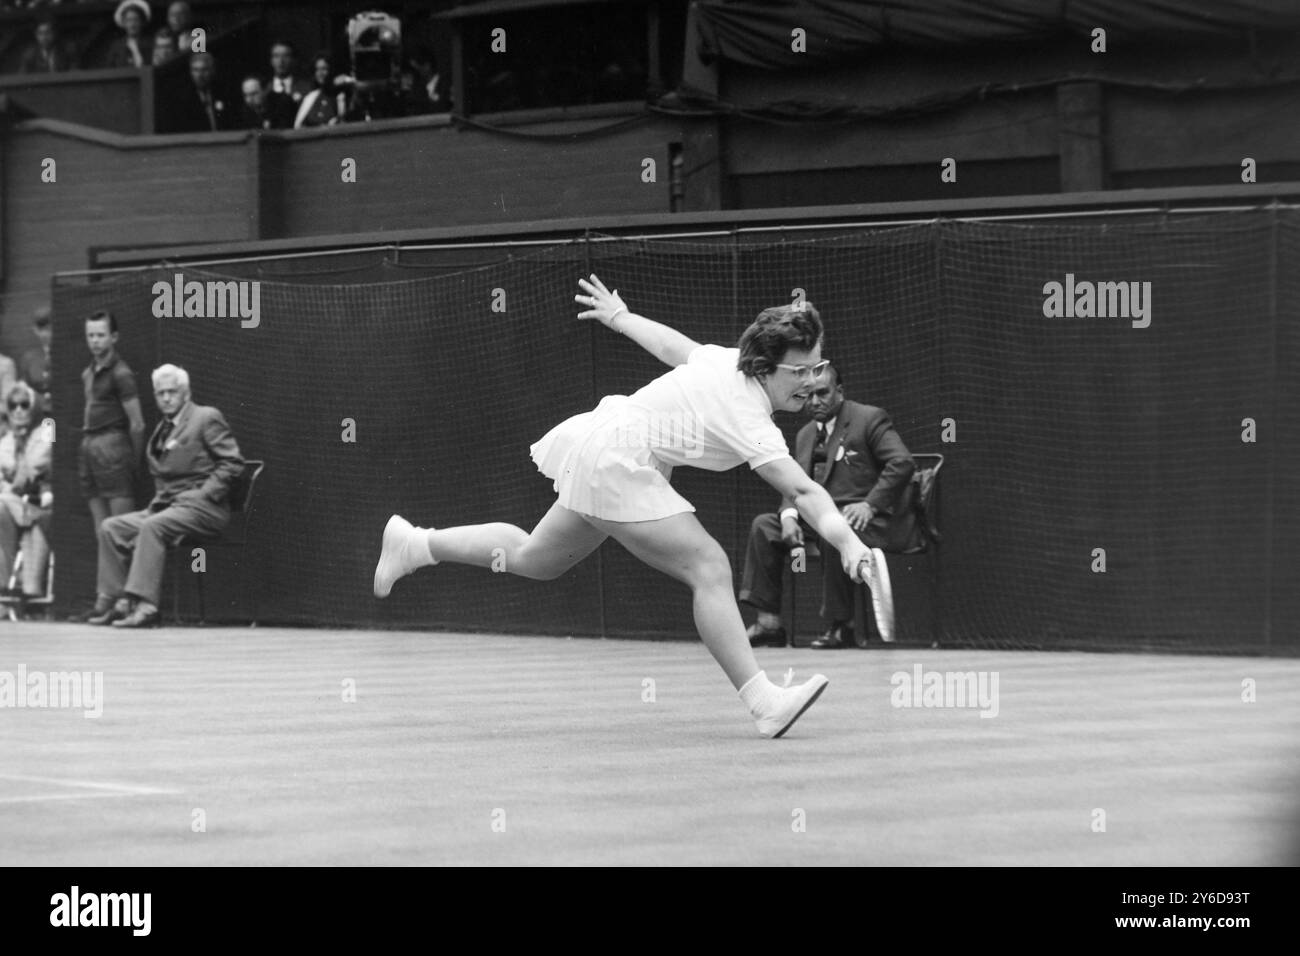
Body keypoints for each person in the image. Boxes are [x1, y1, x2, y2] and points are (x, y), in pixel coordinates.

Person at [374, 276, 884, 738]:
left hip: (610, 448)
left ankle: (416, 543)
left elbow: (672, 346)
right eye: (801, 369)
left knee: (535, 558)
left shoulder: (724, 361)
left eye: (818, 366)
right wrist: (850, 545)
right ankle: (764, 702)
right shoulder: (747, 414)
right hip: (618, 458)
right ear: (767, 367)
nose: (813, 381)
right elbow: (803, 492)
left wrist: (620, 316)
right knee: (708, 565)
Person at [741, 363, 916, 649]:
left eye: (822, 393)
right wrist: (787, 516)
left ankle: (841, 626)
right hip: (821, 517)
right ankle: (769, 623)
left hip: (866, 521)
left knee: (834, 528)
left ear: (840, 392)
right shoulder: (806, 434)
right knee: (765, 525)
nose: (814, 401)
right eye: (808, 395)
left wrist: (869, 505)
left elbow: (902, 462)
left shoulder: (869, 418)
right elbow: (792, 482)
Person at [91, 364, 244, 628]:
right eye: (160, 393)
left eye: (172, 392)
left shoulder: (205, 417)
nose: (166, 398)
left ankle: (146, 607)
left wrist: (204, 494)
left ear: (186, 393)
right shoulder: (163, 428)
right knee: (110, 527)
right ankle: (119, 602)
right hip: (167, 509)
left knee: (152, 526)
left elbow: (233, 463)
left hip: (204, 509)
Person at [79, 310, 146, 618]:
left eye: (101, 334)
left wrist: (132, 461)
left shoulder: (122, 374)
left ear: (114, 337)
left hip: (115, 450)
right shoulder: (87, 373)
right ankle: (107, 595)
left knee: (121, 531)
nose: (95, 340)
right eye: (91, 335)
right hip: (89, 451)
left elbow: (137, 424)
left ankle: (125, 600)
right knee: (100, 530)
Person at [0, 383, 53, 604]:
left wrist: (13, 477)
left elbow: (36, 464)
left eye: (24, 404)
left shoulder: (48, 428)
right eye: (13, 406)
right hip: (17, 505)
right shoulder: (5, 441)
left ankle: (31, 588)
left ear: (33, 407)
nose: (19, 410)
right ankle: (2, 584)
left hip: (45, 502)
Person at [157, 52, 229, 133]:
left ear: (212, 71)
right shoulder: (182, 99)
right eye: (195, 70)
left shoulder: (221, 92)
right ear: (190, 72)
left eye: (204, 70)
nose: (200, 75)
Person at [20, 305, 53, 409]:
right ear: (35, 330)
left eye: (49, 329)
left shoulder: (67, 355)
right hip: (38, 414)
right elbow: (25, 389)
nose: (45, 334)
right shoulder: (29, 358)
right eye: (41, 329)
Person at [106, 0, 153, 69]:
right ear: (124, 23)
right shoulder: (116, 46)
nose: (132, 24)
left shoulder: (151, 43)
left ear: (142, 22)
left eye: (136, 20)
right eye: (129, 20)